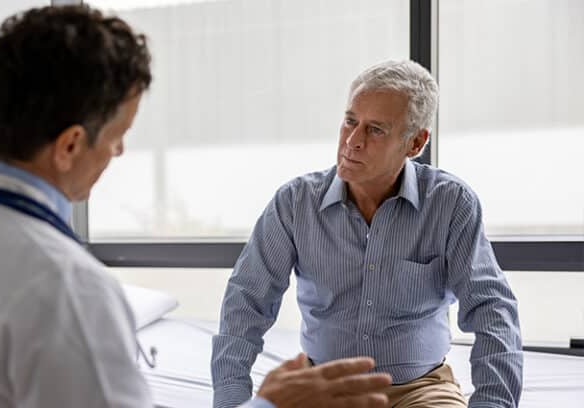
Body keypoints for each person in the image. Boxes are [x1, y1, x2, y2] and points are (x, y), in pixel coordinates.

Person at [0, 5, 392, 408]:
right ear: (70, 144)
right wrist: (268, 403)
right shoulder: (64, 288)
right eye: (117, 135)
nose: (119, 152)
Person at [211, 60, 523, 408]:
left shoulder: (451, 204)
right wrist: (232, 403)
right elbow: (246, 304)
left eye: (376, 130)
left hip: (420, 389)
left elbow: (492, 310)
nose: (353, 141)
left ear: (415, 142)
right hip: (323, 389)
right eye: (350, 121)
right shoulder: (294, 203)